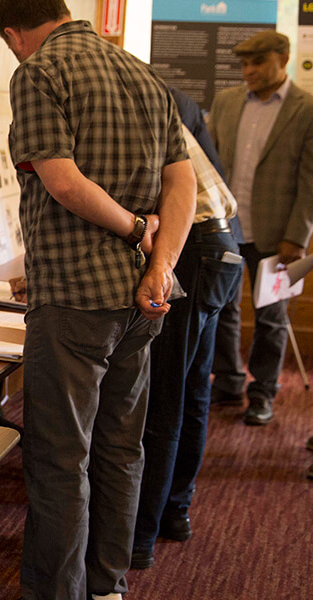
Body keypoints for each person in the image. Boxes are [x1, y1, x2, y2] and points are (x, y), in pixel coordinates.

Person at [0, 1, 195, 599]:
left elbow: (60, 179)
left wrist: (135, 228)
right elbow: (181, 181)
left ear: (13, 33)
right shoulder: (144, 74)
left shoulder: (39, 72)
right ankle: (106, 586)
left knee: (60, 460)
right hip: (140, 300)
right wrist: (159, 264)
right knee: (119, 448)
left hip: (74, 298)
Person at [131, 87, 244, 570]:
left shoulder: (135, 106)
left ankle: (141, 536)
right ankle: (175, 512)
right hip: (223, 244)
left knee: (166, 398)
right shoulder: (170, 99)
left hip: (194, 246)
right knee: (194, 389)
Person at [208, 31, 313, 426]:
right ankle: (229, 381)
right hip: (226, 232)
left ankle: (263, 392)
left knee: (272, 318)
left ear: (282, 59)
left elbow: (311, 180)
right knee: (222, 311)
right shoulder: (227, 102)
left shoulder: (307, 108)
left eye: (257, 62)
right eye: (244, 64)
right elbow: (213, 168)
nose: (248, 71)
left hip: (280, 238)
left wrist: (298, 237)